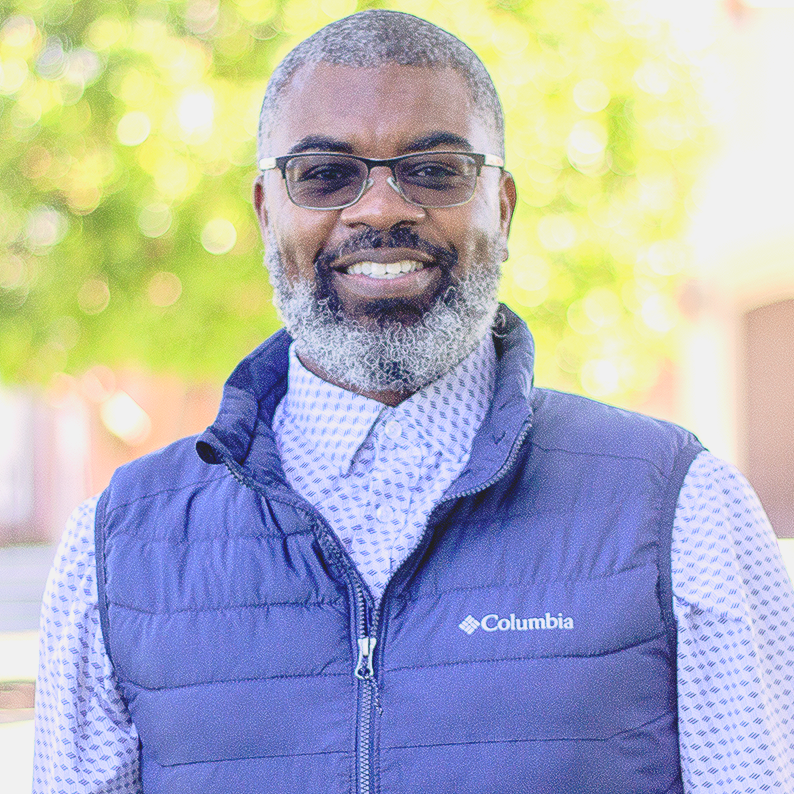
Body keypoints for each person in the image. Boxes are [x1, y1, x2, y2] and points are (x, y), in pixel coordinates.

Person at [34, 10, 794, 794]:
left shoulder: (676, 508)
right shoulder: (116, 546)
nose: (379, 209)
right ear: (268, 211)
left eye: (434, 170)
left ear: (500, 207)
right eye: (326, 173)